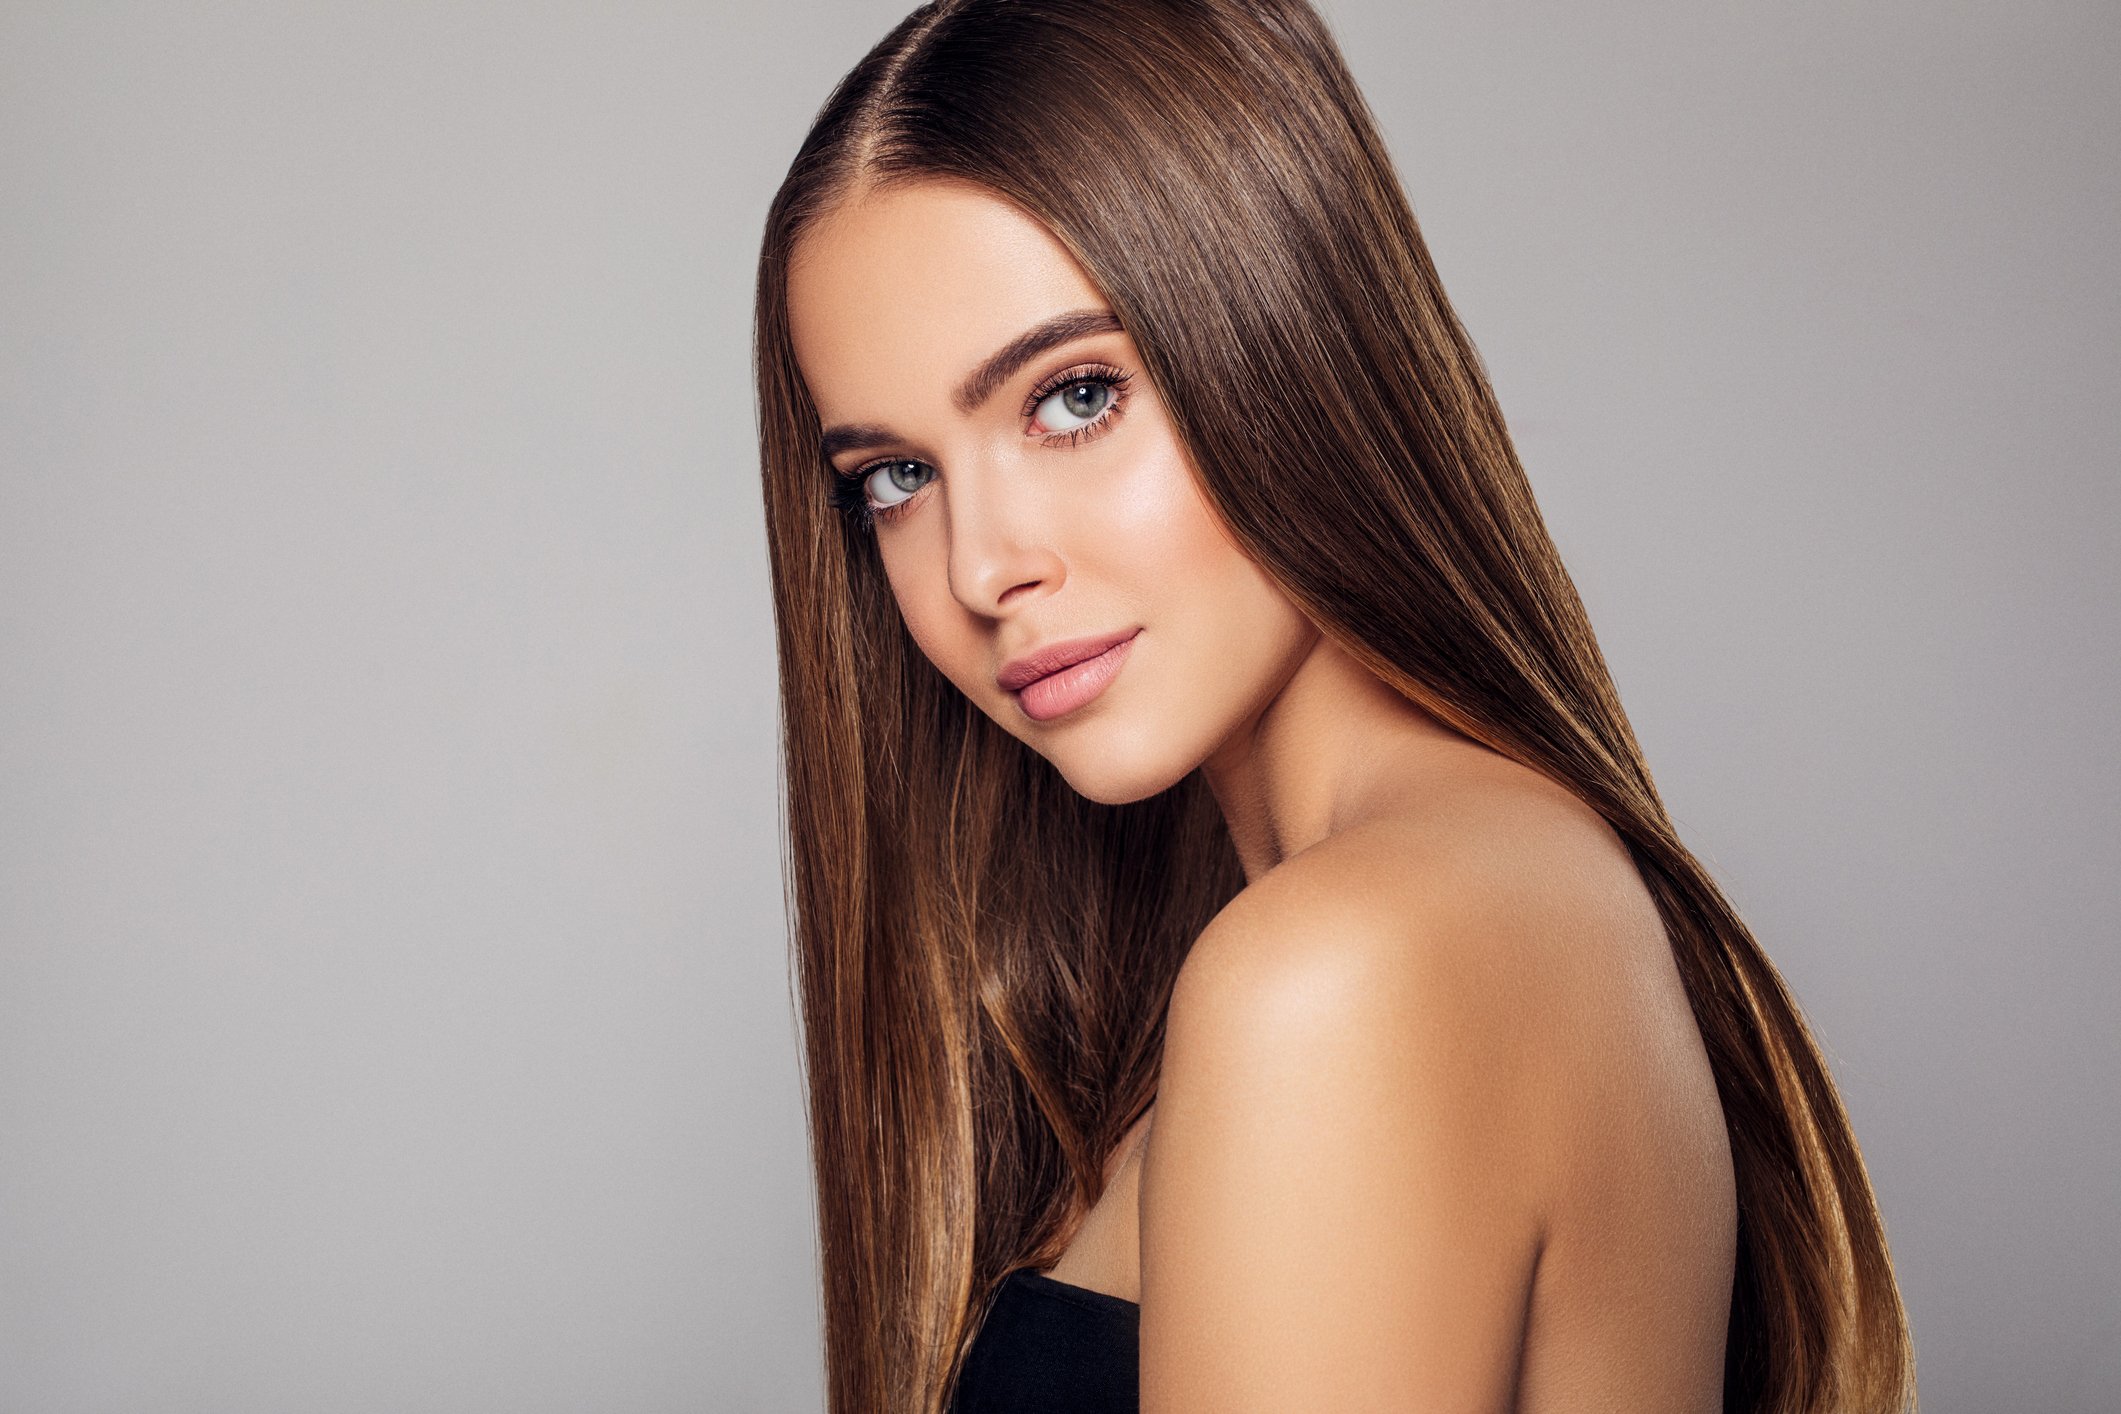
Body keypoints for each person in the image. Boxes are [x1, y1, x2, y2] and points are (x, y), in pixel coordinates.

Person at [752, 1, 1914, 1410]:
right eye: (893, 476)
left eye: (1072, 397)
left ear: (1283, 335)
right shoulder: (1520, 882)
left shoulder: (1337, 971)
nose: (983, 566)